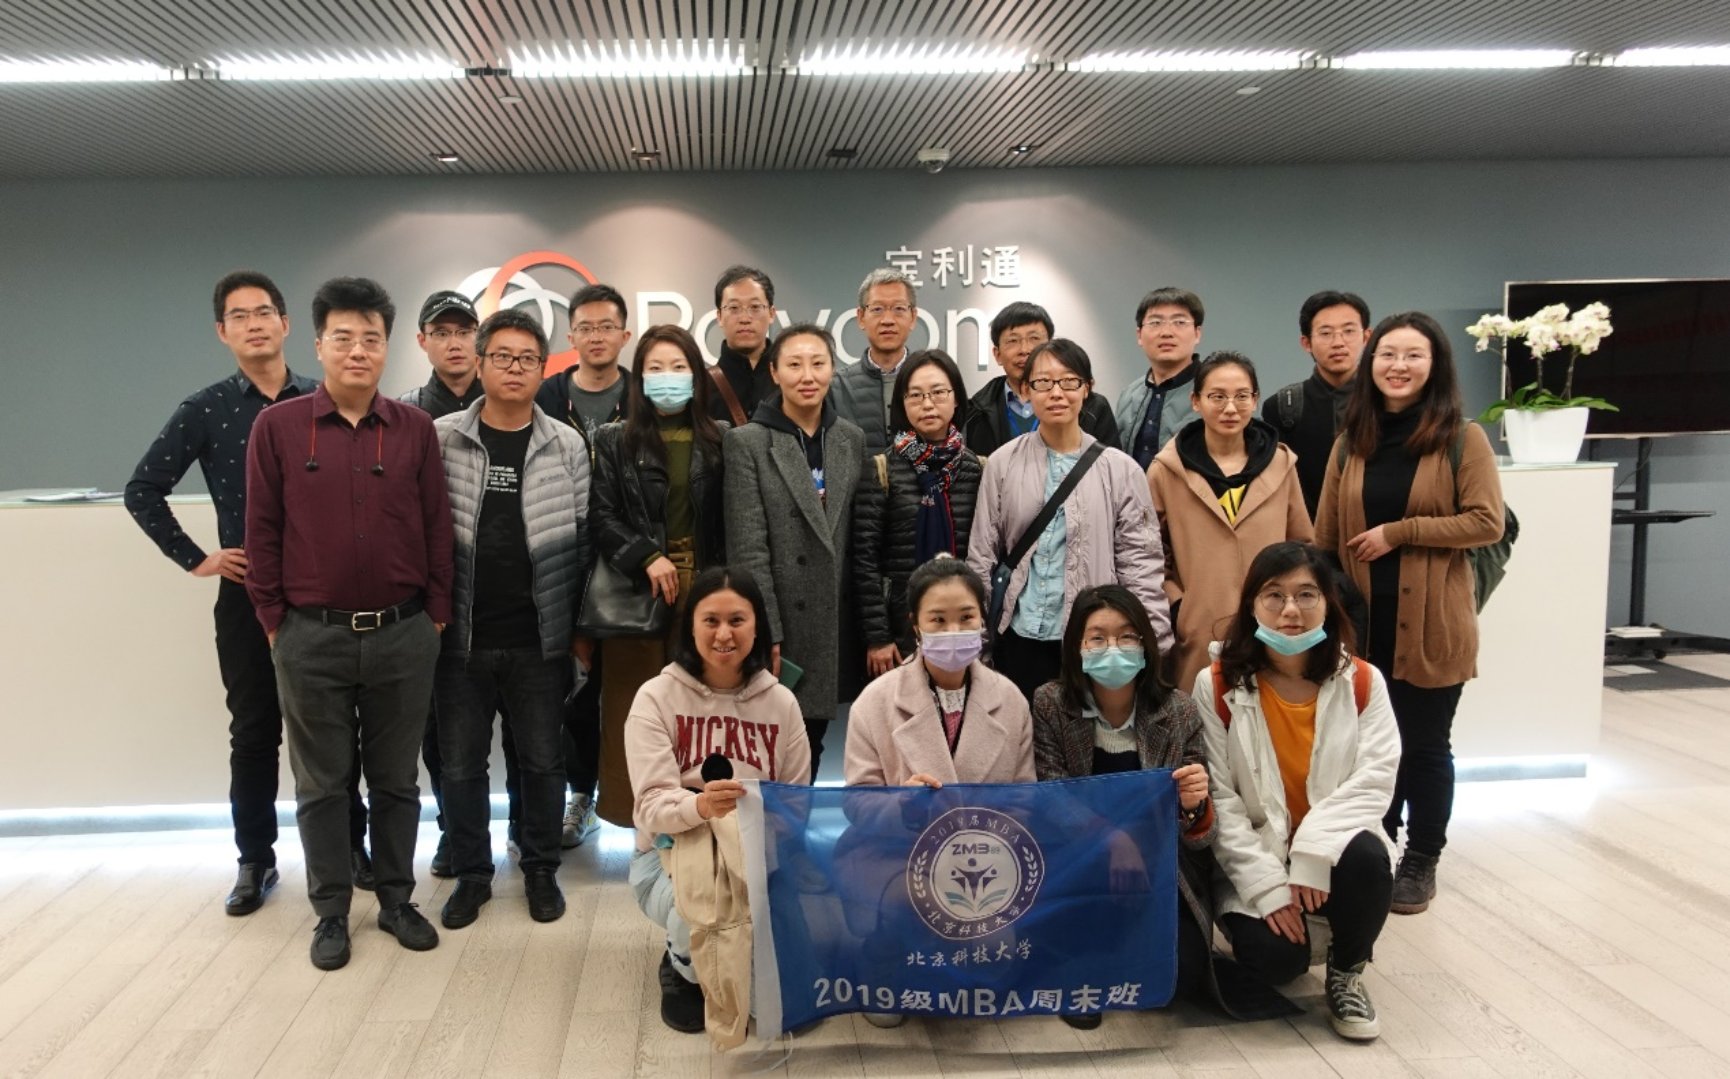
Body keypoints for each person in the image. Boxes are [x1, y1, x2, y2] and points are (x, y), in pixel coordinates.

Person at [124, 270, 370, 916]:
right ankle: (255, 858)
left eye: (264, 312)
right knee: (255, 730)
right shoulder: (205, 409)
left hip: (324, 592)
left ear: (287, 325)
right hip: (247, 594)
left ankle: (352, 845)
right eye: (239, 316)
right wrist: (197, 558)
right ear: (222, 331)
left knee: (336, 727)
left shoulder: (323, 396)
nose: (254, 324)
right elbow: (142, 488)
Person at [245, 276, 452, 970]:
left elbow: (437, 529)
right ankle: (331, 912)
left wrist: (435, 617)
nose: (358, 350)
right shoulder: (278, 428)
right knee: (322, 785)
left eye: (371, 338)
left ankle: (396, 899)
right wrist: (275, 622)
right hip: (311, 636)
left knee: (396, 782)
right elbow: (261, 531)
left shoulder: (414, 429)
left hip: (403, 633)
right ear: (319, 344)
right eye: (344, 337)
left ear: (387, 347)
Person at [1315, 312, 1504, 915]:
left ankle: (1421, 858)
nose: (1399, 366)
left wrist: (1400, 531)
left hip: (1433, 626)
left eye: (1413, 355)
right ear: (1371, 363)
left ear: (1434, 365)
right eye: (1388, 354)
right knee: (1366, 749)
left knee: (1423, 747)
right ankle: (1376, 846)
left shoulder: (1461, 438)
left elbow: (1487, 521)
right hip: (1363, 625)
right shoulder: (1351, 442)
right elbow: (1325, 539)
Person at [1194, 541, 1400, 1042]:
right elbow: (1221, 801)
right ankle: (1299, 928)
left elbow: (1375, 779)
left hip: (1334, 848)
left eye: (1307, 595)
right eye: (1274, 595)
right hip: (1258, 850)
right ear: (1251, 604)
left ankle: (1347, 971)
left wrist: (1311, 849)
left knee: (1369, 859)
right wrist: (1268, 888)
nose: (1291, 610)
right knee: (1276, 962)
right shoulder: (1216, 684)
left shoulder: (1362, 682)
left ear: (1328, 603)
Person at [432, 309, 591, 930]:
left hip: (539, 639)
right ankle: (472, 875)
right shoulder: (443, 437)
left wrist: (578, 634)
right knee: (461, 766)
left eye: (528, 358)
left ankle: (541, 869)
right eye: (502, 356)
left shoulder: (566, 443)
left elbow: (582, 540)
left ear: (542, 368)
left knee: (542, 763)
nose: (515, 368)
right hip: (461, 640)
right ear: (479, 364)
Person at [842, 555, 1034, 1029]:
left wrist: (991, 840)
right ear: (915, 625)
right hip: (894, 854)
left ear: (983, 620)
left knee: (992, 960)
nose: (954, 631)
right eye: (938, 620)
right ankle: (883, 953)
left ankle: (948, 954)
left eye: (966, 617)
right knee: (905, 909)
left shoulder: (1010, 699)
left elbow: (1025, 797)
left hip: (980, 858)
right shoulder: (875, 701)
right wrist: (900, 806)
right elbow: (855, 801)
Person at [625, 566, 811, 1033]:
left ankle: (746, 954)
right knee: (700, 910)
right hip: (669, 855)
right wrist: (701, 808)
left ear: (758, 626)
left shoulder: (782, 703)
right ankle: (681, 965)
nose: (724, 634)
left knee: (768, 998)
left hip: (757, 853)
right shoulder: (655, 697)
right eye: (711, 620)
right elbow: (650, 807)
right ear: (690, 626)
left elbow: (797, 804)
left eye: (737, 620)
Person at [1031, 584, 1214, 1028]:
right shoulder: (1050, 703)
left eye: (1127, 636)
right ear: (1077, 647)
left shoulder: (1179, 711)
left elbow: (1200, 836)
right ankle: (1086, 961)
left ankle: (1117, 953)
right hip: (1079, 863)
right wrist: (1112, 839)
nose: (1112, 648)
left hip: (1156, 868)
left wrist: (1194, 805)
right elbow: (1052, 796)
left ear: (1147, 645)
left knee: (1184, 976)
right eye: (1097, 637)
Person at [967, 338, 1174, 702]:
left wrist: (1152, 640)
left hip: (1095, 639)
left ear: (1087, 388)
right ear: (1026, 390)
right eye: (1043, 382)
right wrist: (979, 641)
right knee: (1023, 731)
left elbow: (1140, 563)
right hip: (1020, 635)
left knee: (1090, 731)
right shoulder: (1002, 463)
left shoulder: (1120, 470)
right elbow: (982, 556)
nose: (1056, 393)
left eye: (1069, 381)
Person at [397, 288, 518, 880]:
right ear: (423, 341)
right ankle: (454, 833)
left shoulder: (512, 404)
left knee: (522, 732)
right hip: (434, 603)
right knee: (441, 734)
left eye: (464, 331)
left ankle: (525, 832)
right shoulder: (407, 415)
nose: (454, 343)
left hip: (507, 598)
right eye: (441, 332)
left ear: (480, 341)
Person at [588, 325, 729, 829]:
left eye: (678, 367)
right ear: (639, 378)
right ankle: (643, 827)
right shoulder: (614, 439)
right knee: (634, 707)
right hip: (638, 588)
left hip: (706, 587)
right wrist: (646, 555)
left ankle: (702, 818)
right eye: (655, 368)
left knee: (703, 708)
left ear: (696, 375)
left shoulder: (721, 439)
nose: (667, 377)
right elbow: (601, 515)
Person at [724, 324, 865, 778]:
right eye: (794, 364)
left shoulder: (849, 438)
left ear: (832, 369)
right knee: (771, 744)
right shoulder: (748, 441)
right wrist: (767, 630)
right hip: (782, 620)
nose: (807, 375)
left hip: (834, 619)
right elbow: (749, 548)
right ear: (775, 372)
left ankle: (794, 821)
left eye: (818, 363)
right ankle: (770, 824)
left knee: (812, 745)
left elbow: (856, 538)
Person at [536, 283, 634, 848]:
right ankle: (580, 794)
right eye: (586, 328)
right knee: (571, 693)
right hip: (561, 559)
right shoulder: (546, 395)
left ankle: (638, 800)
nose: (597, 337)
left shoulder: (644, 394)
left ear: (624, 334)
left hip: (628, 565)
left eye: (607, 327)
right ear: (571, 336)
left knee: (629, 691)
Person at [1150, 351, 1313, 692]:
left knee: (1271, 713)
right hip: (1199, 628)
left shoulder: (1280, 465)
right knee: (1202, 715)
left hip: (1273, 626)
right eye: (1217, 396)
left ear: (1255, 400)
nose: (1230, 408)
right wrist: (1180, 605)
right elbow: (1150, 554)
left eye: (1241, 396)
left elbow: (1302, 546)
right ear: (1196, 401)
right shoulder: (1167, 470)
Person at [852, 349, 983, 676]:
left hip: (962, 625)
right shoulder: (881, 468)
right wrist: (878, 637)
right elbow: (864, 559)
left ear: (956, 398)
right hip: (901, 626)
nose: (927, 404)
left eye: (938, 392)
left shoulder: (978, 468)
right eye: (915, 395)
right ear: (902, 403)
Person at [1263, 292, 1372, 516]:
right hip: (1307, 533)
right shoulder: (1282, 407)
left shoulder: (1386, 402)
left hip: (1376, 531)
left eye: (1349, 331)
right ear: (1306, 343)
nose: (1338, 342)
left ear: (1366, 337)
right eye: (1326, 333)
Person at [963, 301, 1121, 456]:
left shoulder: (1093, 407)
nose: (1025, 350)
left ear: (1050, 347)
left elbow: (1110, 466)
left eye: (1034, 338)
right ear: (997, 354)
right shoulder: (975, 412)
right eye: (1013, 341)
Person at [829, 267, 918, 457]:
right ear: (861, 317)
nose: (888, 320)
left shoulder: (933, 384)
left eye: (899, 309)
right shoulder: (837, 387)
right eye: (877, 309)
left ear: (913, 317)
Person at [1116, 287, 1205, 470]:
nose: (1166, 332)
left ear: (1197, 333)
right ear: (1139, 335)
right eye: (1155, 322)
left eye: (1179, 322)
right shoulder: (1128, 395)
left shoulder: (1213, 394)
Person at [709, 265, 778, 424]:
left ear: (771, 313)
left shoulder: (790, 379)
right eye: (734, 308)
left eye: (755, 307)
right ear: (719, 316)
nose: (745, 318)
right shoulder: (702, 385)